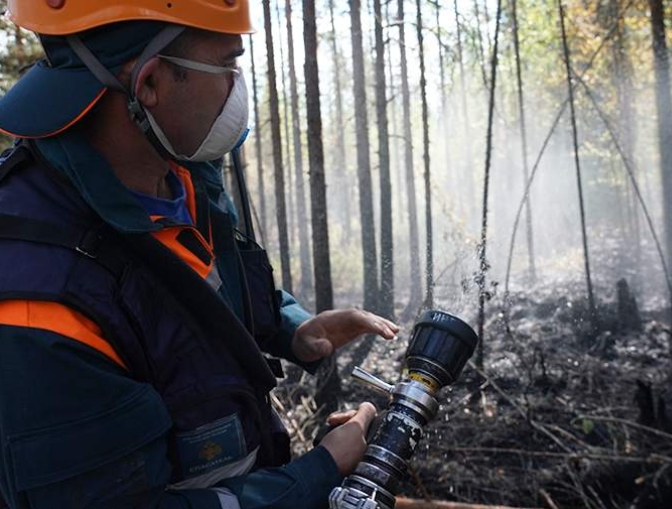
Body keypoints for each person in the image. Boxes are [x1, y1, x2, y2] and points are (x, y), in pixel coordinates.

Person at [0, 1, 399, 508]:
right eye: (229, 65)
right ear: (150, 84)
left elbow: (196, 291)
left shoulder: (182, 176)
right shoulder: (38, 297)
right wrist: (316, 474)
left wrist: (293, 328)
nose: (239, 88)